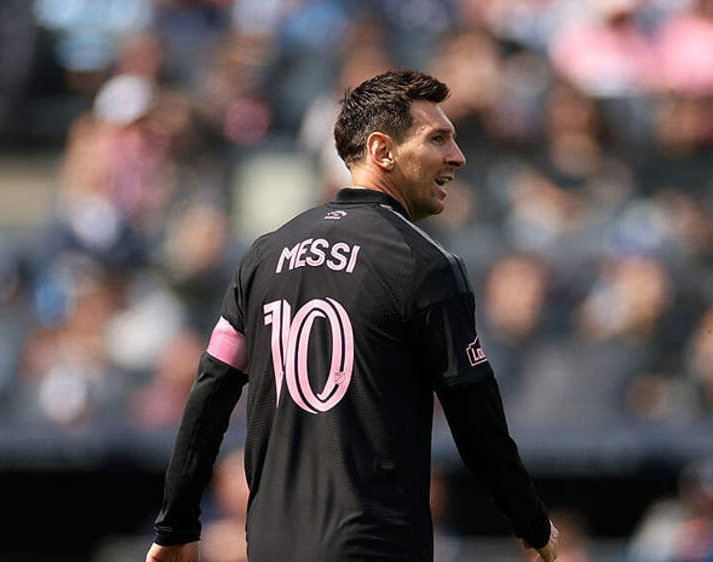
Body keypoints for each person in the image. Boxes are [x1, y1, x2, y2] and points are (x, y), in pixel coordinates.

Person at [146, 70, 559, 562]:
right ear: (382, 151)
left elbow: (209, 395)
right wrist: (531, 522)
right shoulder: (425, 265)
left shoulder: (264, 256)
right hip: (374, 547)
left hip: (272, 546)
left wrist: (176, 524)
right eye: (438, 139)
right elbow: (477, 422)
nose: (457, 156)